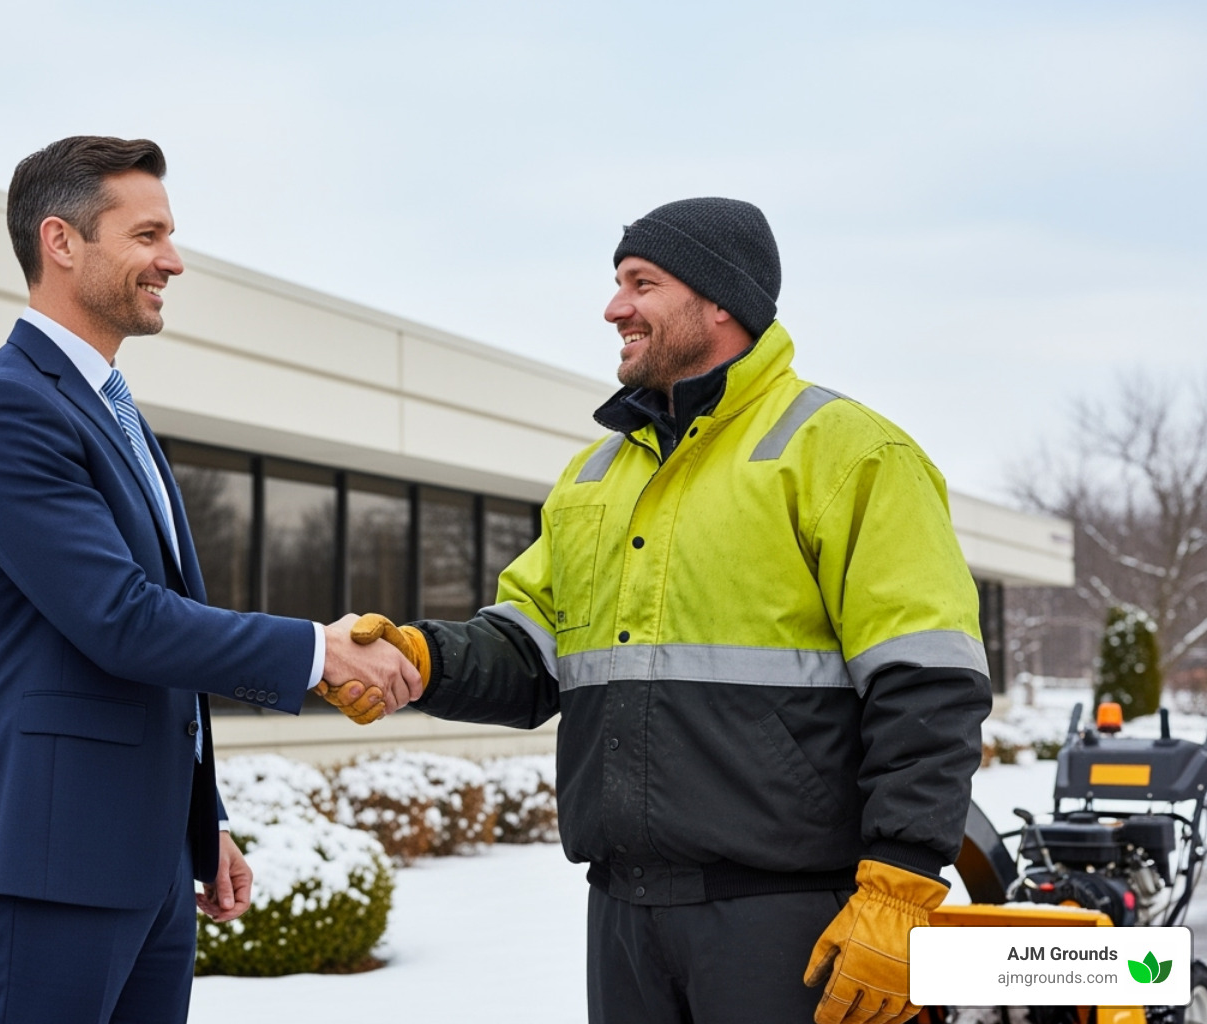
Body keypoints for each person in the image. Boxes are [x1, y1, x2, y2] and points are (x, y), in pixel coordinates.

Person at [349, 198, 991, 1024]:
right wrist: (417, 657)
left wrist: (903, 882)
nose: (615, 307)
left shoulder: (849, 453)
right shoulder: (598, 474)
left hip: (792, 919)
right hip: (624, 917)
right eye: (618, 283)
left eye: (641, 283)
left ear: (720, 299)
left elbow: (928, 679)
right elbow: (531, 650)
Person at [0, 135, 419, 1024]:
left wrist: (205, 821)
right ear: (62, 241)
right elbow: (122, 620)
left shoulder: (110, 409)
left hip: (146, 859)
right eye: (148, 234)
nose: (173, 260)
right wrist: (318, 651)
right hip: (52, 858)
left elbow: (161, 635)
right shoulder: (8, 409)